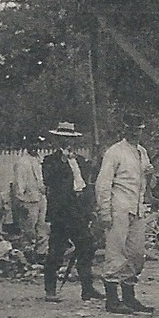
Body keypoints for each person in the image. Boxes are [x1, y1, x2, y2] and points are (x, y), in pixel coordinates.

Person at [95, 113, 155, 315]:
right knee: (115, 252)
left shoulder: (142, 152)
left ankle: (129, 297)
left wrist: (150, 177)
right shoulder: (114, 152)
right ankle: (112, 299)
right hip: (118, 207)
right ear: (124, 129)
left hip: (137, 207)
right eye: (131, 128)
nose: (134, 132)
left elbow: (146, 182)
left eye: (138, 129)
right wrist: (104, 212)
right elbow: (103, 184)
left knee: (137, 254)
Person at [40, 121, 101, 303]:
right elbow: (49, 180)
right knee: (56, 251)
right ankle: (50, 290)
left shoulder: (81, 161)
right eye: (63, 138)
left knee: (86, 247)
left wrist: (90, 210)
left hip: (78, 211)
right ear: (57, 140)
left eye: (70, 139)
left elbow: (89, 184)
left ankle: (87, 289)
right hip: (61, 213)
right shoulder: (50, 161)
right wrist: (63, 161)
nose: (67, 142)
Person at [12, 142, 47, 255]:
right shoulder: (22, 162)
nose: (35, 147)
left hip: (41, 197)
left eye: (37, 145)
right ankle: (27, 255)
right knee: (28, 229)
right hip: (28, 200)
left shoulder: (39, 160)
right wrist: (20, 200)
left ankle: (41, 254)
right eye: (33, 145)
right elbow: (19, 182)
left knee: (42, 227)